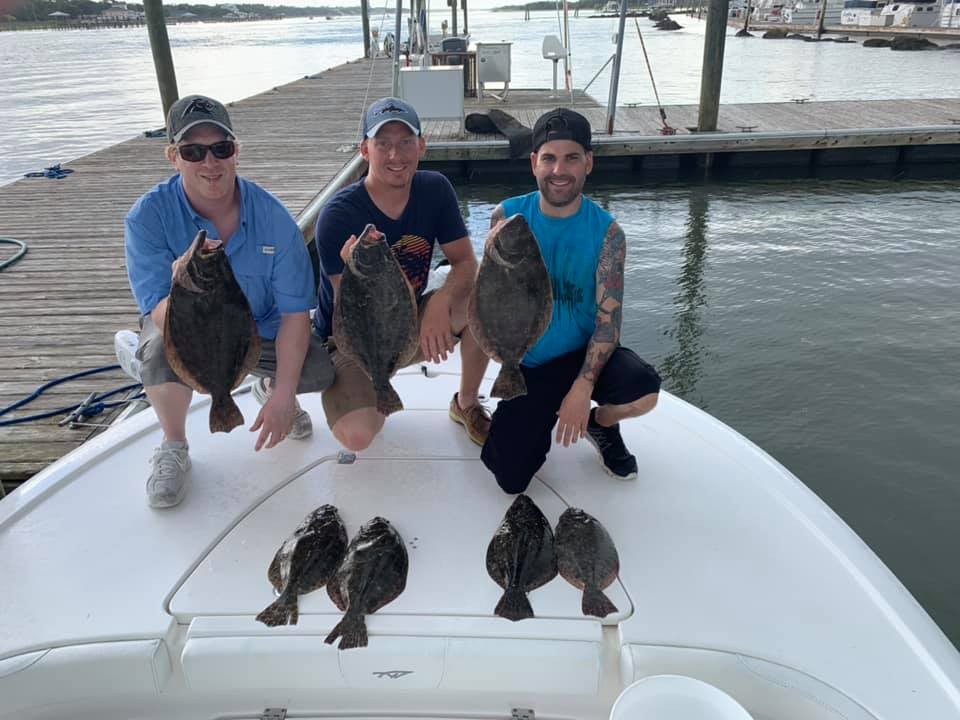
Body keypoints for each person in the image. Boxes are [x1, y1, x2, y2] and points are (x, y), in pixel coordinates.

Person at [123, 94, 333, 509]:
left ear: (236, 151)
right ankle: (174, 444)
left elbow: (295, 314)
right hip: (182, 327)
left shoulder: (273, 218)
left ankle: (267, 386)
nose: (210, 162)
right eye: (193, 151)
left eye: (221, 148)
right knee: (155, 354)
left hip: (258, 331)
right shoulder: (147, 217)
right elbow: (157, 307)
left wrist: (285, 395)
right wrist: (183, 286)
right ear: (173, 157)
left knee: (319, 371)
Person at [480, 108, 661, 494]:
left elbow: (608, 323)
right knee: (510, 480)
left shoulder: (608, 234)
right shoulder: (506, 216)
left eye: (571, 158)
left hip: (583, 354)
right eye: (549, 158)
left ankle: (603, 424)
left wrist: (581, 389)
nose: (559, 170)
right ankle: (518, 417)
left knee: (645, 390)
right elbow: (489, 299)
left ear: (588, 163)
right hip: (529, 363)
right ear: (534, 163)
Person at [313, 97, 490, 452]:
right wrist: (354, 272)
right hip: (353, 342)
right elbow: (349, 313)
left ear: (422, 145)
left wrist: (440, 302)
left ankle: (467, 403)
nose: (396, 155)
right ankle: (361, 391)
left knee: (482, 295)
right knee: (359, 436)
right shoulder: (337, 216)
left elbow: (466, 263)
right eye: (383, 144)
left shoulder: (435, 189)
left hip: (411, 321)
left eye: (405, 142)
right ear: (365, 150)